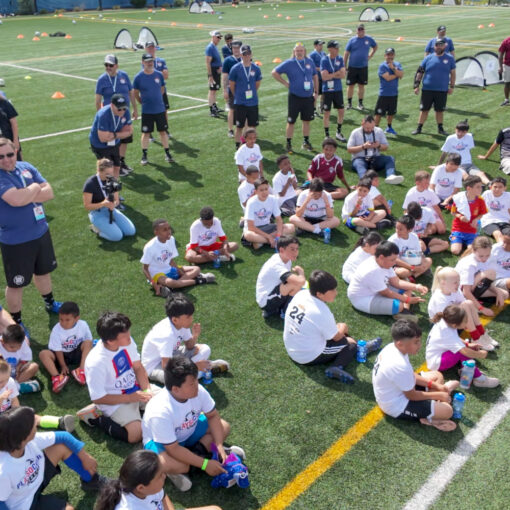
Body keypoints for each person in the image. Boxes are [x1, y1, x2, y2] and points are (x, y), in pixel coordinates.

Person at [141, 356, 245, 492]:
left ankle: (206, 455)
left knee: (223, 427)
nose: (197, 384)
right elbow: (173, 448)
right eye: (192, 383)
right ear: (175, 389)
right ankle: (189, 464)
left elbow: (213, 416)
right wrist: (204, 464)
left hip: (187, 432)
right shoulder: (160, 411)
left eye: (196, 379)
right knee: (180, 465)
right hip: (161, 444)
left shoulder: (198, 390)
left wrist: (219, 444)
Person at [0, 138, 62, 334]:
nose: (6, 160)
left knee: (43, 271)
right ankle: (17, 320)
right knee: (16, 283)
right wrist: (34, 188)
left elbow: (50, 192)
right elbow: (16, 200)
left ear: (15, 150)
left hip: (41, 232)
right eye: (0, 157)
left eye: (9, 154)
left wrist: (26, 194)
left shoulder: (26, 166)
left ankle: (50, 302)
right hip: (16, 241)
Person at [284, 270, 381, 383]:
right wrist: (343, 328)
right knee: (350, 344)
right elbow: (337, 337)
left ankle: (360, 347)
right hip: (307, 355)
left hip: (293, 346)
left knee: (339, 332)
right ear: (319, 294)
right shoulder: (320, 312)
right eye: (332, 290)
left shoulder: (301, 294)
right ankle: (338, 365)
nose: (336, 292)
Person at [0, 406, 106, 510]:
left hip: (37, 479)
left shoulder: (28, 441)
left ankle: (91, 480)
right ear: (24, 435)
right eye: (33, 424)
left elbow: (64, 436)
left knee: (60, 447)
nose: (36, 423)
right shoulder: (3, 471)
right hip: (26, 504)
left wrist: (85, 457)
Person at [77, 311, 155, 444]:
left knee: (168, 402)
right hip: (114, 401)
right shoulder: (96, 362)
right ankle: (95, 417)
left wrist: (147, 390)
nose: (130, 336)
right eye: (125, 335)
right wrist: (130, 398)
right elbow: (97, 397)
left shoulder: (127, 342)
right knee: (136, 434)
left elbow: (138, 367)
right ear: (110, 341)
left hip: (136, 390)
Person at [372, 320, 458, 432]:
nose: (420, 345)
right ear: (400, 344)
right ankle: (431, 416)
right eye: (416, 342)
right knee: (448, 411)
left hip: (399, 389)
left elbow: (410, 376)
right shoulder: (399, 365)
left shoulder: (392, 347)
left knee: (437, 376)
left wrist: (434, 385)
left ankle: (433, 407)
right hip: (396, 405)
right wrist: (440, 395)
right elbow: (411, 396)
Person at [141, 293, 229, 385]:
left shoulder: (182, 325)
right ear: (175, 320)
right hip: (155, 366)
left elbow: (190, 346)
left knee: (205, 349)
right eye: (188, 317)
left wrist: (195, 335)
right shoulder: (166, 335)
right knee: (175, 380)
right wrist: (194, 366)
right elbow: (166, 367)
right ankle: (203, 370)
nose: (191, 319)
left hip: (173, 354)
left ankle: (198, 371)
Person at [95, 449, 222, 510]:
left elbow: (162, 496)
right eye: (160, 475)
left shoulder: (150, 488)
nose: (165, 476)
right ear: (141, 487)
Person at [347, 241, 428, 320]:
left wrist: (417, 286)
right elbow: (387, 293)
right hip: (364, 299)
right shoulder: (372, 271)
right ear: (381, 257)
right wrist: (407, 299)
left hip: (376, 290)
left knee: (408, 289)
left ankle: (404, 310)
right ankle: (403, 310)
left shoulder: (383, 262)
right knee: (399, 305)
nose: (394, 263)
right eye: (392, 260)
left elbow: (396, 282)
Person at [426, 305, 499, 388]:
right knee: (462, 352)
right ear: (454, 325)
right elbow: (465, 351)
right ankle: (480, 379)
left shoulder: (445, 321)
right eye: (465, 321)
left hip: (436, 357)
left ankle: (465, 371)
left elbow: (455, 338)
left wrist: (468, 344)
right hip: (437, 363)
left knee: (463, 348)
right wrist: (481, 354)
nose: (467, 322)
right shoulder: (447, 332)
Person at [141, 219, 215, 298]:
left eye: (169, 228)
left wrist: (179, 271)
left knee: (196, 269)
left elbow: (170, 260)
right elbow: (145, 269)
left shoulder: (171, 239)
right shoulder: (150, 247)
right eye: (164, 230)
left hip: (169, 268)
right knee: (172, 282)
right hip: (158, 274)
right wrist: (154, 284)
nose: (169, 231)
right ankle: (199, 281)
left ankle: (174, 286)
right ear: (156, 232)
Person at [428, 266, 498, 350]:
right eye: (455, 282)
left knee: (468, 302)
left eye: (459, 281)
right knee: (465, 305)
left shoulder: (456, 290)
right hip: (443, 326)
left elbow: (465, 304)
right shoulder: (439, 298)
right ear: (443, 283)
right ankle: (476, 338)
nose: (458, 284)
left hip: (455, 320)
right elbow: (444, 321)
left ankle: (482, 334)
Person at [0, 359, 75, 432]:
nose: (4, 384)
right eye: (1, 382)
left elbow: (14, 400)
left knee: (30, 418)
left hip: (7, 410)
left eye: (6, 379)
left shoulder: (9, 382)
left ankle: (60, 422)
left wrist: (15, 413)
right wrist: (1, 398)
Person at [272, 42, 318, 153]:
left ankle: (306, 142)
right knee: (291, 121)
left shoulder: (310, 61)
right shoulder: (289, 63)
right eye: (297, 50)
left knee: (306, 121)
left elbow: (315, 76)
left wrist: (316, 92)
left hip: (308, 97)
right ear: (294, 51)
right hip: (295, 97)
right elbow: (274, 72)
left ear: (304, 51)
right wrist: (285, 83)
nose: (299, 52)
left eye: (301, 50)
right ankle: (288, 143)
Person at [95, 54, 137, 175]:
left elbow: (131, 92)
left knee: (124, 139)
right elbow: (98, 100)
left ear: (116, 66)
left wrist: (135, 108)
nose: (108, 67)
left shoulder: (124, 75)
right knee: (112, 141)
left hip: (125, 114)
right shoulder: (102, 79)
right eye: (106, 65)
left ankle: (121, 162)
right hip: (110, 117)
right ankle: (113, 167)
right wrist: (100, 116)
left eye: (110, 65)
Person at [39, 301, 93, 393]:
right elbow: (58, 350)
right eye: (61, 319)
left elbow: (89, 340)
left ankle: (81, 370)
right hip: (60, 355)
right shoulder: (57, 329)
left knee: (88, 342)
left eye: (67, 320)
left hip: (76, 353)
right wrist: (63, 365)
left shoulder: (83, 325)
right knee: (43, 354)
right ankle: (57, 377)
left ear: (77, 319)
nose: (63, 323)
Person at [133, 53, 174, 166]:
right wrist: (140, 101)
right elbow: (135, 92)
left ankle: (167, 153)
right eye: (147, 61)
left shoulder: (159, 75)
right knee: (146, 133)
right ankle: (144, 155)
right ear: (142, 62)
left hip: (159, 109)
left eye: (151, 61)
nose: (150, 63)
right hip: (147, 111)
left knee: (163, 132)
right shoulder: (138, 77)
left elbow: (162, 88)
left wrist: (158, 100)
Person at [82, 158, 136, 242]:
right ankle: (97, 230)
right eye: (107, 174)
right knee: (117, 236)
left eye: (111, 173)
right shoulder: (90, 184)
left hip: (111, 209)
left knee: (131, 231)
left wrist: (114, 204)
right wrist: (103, 204)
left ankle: (109, 226)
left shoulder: (112, 180)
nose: (110, 176)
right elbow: (87, 206)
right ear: (98, 170)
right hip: (97, 212)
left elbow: (116, 199)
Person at [454, 235, 508, 317]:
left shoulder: (485, 259)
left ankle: (475, 299)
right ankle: (472, 302)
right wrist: (482, 309)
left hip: (473, 286)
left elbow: (485, 282)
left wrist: (498, 292)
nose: (484, 258)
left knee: (504, 294)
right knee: (490, 273)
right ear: (474, 251)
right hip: (459, 291)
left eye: (487, 255)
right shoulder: (469, 265)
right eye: (481, 256)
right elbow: (466, 292)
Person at [412, 38, 456, 136]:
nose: (439, 47)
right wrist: (416, 85)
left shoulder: (450, 58)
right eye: (437, 45)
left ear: (445, 46)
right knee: (424, 110)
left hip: (442, 90)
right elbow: (420, 71)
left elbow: (453, 73)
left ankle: (440, 128)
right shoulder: (428, 58)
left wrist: (452, 86)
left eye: (441, 45)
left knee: (439, 110)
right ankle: (419, 128)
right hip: (427, 89)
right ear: (434, 47)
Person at [255, 235, 306, 319]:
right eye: (292, 249)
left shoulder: (285, 258)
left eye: (297, 249)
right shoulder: (276, 265)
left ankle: (280, 306)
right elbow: (300, 282)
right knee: (296, 284)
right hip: (266, 301)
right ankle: (284, 312)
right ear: (282, 250)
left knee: (297, 287)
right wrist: (301, 272)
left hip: (272, 291)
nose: (296, 252)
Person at [347, 115, 403, 184]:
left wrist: (378, 146)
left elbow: (386, 147)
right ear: (362, 124)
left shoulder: (379, 131)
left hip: (375, 158)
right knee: (358, 164)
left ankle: (391, 176)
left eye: (372, 127)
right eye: (367, 128)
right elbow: (349, 149)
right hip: (360, 158)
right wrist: (363, 147)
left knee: (390, 158)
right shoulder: (355, 132)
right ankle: (365, 180)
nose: (370, 130)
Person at [89, 93, 133, 181]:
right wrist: (120, 134)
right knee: (107, 169)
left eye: (124, 108)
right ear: (112, 105)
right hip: (100, 145)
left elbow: (129, 131)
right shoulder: (103, 114)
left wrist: (114, 135)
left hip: (114, 142)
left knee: (117, 166)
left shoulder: (126, 112)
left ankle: (114, 184)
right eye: (119, 109)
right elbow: (103, 138)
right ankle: (103, 186)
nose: (122, 111)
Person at [243, 178, 294, 249]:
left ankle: (261, 242)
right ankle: (272, 241)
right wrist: (269, 236)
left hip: (267, 226)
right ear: (256, 192)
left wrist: (279, 235)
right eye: (261, 190)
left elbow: (279, 220)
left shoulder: (273, 199)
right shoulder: (251, 202)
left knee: (291, 227)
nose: (264, 192)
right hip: (254, 230)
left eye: (266, 189)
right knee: (248, 235)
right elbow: (251, 227)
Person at [229, 45, 262, 147]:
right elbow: (232, 85)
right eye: (244, 54)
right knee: (239, 126)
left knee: (252, 127)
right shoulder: (235, 68)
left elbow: (257, 84)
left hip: (253, 102)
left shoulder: (256, 68)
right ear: (241, 55)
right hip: (240, 103)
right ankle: (238, 147)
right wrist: (238, 95)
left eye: (248, 53)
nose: (247, 55)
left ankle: (251, 146)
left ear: (251, 54)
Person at [438, 120, 489, 184]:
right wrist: (439, 165)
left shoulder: (469, 136)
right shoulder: (450, 138)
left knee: (481, 174)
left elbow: (468, 150)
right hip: (457, 165)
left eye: (463, 132)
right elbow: (444, 152)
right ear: (455, 129)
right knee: (465, 175)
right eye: (458, 131)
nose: (460, 134)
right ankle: (475, 187)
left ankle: (490, 184)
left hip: (469, 164)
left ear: (466, 132)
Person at [343, 24, 377, 111]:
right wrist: (344, 65)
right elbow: (346, 53)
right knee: (350, 85)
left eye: (362, 29)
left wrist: (370, 56)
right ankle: (349, 103)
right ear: (356, 30)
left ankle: (360, 103)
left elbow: (375, 47)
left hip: (363, 67)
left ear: (364, 30)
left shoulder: (368, 39)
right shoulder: (352, 40)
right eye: (359, 29)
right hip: (352, 67)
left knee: (361, 86)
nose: (361, 31)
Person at [449, 175, 487, 255]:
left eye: (481, 186)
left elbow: (482, 213)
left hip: (471, 230)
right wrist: (460, 216)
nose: (481, 189)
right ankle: (455, 237)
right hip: (458, 229)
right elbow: (453, 212)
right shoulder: (459, 198)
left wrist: (476, 219)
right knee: (455, 251)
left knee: (472, 251)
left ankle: (466, 242)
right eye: (478, 187)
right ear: (469, 188)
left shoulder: (480, 200)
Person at [388, 215, 433, 281]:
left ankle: (412, 277)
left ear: (410, 230)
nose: (397, 231)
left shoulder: (414, 236)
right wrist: (412, 268)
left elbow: (419, 252)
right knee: (402, 272)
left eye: (400, 229)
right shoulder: (393, 240)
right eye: (396, 228)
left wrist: (422, 261)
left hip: (413, 261)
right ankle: (418, 272)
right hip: (399, 265)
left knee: (429, 260)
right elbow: (395, 260)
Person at [403, 170, 446, 234]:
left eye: (428, 182)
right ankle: (429, 226)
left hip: (431, 213)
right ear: (418, 183)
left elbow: (436, 207)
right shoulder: (411, 193)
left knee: (442, 231)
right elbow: (406, 210)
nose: (428, 184)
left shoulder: (430, 192)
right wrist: (408, 222)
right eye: (426, 183)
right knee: (432, 230)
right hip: (417, 215)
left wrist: (442, 220)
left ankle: (429, 225)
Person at [0, 324, 39, 393]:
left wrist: (19, 366)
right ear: (2, 342)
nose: (16, 349)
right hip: (2, 372)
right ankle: (17, 387)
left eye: (19, 346)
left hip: (16, 372)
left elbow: (25, 358)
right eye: (12, 347)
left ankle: (14, 385)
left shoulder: (22, 343)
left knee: (34, 366)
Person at [320, 40, 346, 142]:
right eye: (335, 48)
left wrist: (331, 74)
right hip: (327, 90)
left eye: (338, 47)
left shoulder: (340, 58)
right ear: (330, 49)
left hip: (338, 89)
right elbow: (324, 77)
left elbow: (343, 75)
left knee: (341, 111)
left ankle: (338, 132)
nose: (338, 49)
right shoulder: (324, 60)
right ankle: (327, 135)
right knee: (327, 113)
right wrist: (336, 73)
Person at [374, 47, 403, 135]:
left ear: (394, 55)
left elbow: (401, 75)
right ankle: (375, 129)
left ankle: (389, 127)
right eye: (388, 55)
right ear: (385, 56)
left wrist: (393, 69)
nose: (390, 56)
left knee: (391, 113)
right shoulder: (382, 66)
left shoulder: (397, 64)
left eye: (391, 54)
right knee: (378, 113)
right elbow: (388, 78)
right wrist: (396, 74)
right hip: (384, 94)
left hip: (394, 93)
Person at [143, 41, 170, 135]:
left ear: (155, 48)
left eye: (152, 47)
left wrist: (155, 74)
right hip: (150, 92)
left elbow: (166, 75)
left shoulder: (161, 61)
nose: (151, 49)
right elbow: (147, 75)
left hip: (161, 91)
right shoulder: (145, 61)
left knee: (164, 110)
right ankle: (149, 133)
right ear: (146, 49)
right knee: (149, 112)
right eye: (149, 48)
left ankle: (165, 129)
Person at [221, 40, 242, 138]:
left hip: (243, 89)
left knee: (244, 109)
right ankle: (230, 130)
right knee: (231, 109)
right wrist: (224, 90)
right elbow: (224, 76)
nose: (236, 50)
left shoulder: (245, 58)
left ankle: (244, 130)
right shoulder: (228, 60)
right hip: (233, 89)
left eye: (238, 48)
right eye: (234, 48)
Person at [481, 177, 510, 243]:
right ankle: (500, 250)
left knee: (508, 236)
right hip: (489, 221)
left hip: (504, 221)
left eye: (500, 187)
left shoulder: (508, 196)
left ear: (505, 188)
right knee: (498, 234)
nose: (497, 189)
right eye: (495, 187)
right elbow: (478, 206)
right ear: (491, 187)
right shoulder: (487, 194)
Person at [205, 30, 224, 118]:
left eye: (220, 38)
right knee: (212, 91)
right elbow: (208, 62)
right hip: (213, 71)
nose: (219, 39)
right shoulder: (210, 47)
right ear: (213, 37)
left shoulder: (214, 47)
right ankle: (212, 109)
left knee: (215, 90)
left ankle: (214, 107)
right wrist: (210, 75)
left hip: (216, 71)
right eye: (218, 37)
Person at [0, 92, 21, 160]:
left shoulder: (4, 103)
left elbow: (14, 123)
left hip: (8, 139)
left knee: (16, 162)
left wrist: (15, 140)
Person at [309, 39, 326, 117]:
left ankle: (321, 106)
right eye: (319, 45)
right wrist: (320, 69)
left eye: (322, 45)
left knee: (324, 93)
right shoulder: (312, 55)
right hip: (316, 77)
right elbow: (310, 66)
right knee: (315, 93)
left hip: (323, 77)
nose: (321, 46)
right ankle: (313, 109)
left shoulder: (323, 53)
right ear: (315, 46)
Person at [498, 34, 510, 106]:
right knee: (507, 83)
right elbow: (500, 54)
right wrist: (500, 67)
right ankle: (506, 100)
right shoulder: (506, 41)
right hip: (507, 65)